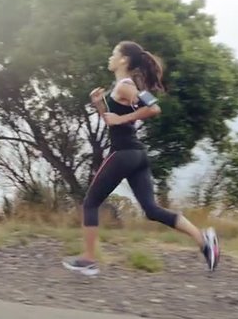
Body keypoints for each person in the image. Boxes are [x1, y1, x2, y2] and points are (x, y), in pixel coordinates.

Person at [61, 40, 220, 276]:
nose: (110, 57)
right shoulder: (121, 87)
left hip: (123, 154)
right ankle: (204, 240)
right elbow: (111, 120)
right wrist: (100, 106)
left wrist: (121, 119)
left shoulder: (126, 86)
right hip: (137, 155)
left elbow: (153, 108)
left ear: (123, 60)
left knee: (90, 203)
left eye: (114, 53)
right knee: (152, 209)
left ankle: (88, 259)